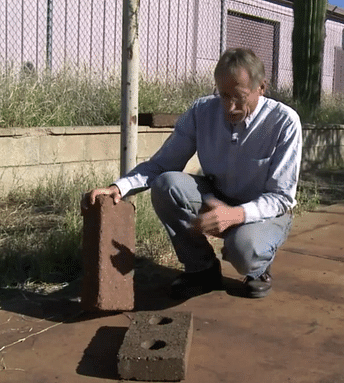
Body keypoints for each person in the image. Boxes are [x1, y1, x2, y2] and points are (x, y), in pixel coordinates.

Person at [82, 48, 302, 299]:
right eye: (223, 95)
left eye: (239, 97)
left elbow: (281, 197)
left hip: (263, 211)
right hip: (216, 196)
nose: (229, 107)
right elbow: (163, 164)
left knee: (244, 250)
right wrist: (119, 187)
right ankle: (202, 268)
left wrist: (235, 215)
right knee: (167, 184)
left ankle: (258, 267)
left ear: (261, 87)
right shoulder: (202, 112)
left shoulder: (285, 122)